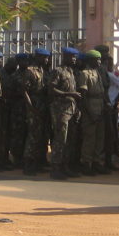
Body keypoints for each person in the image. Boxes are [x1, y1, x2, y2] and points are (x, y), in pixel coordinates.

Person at [47, 47, 82, 180]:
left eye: (75, 57)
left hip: (71, 109)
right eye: (72, 56)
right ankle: (55, 168)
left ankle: (65, 166)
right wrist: (69, 94)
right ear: (65, 57)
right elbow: (52, 90)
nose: (74, 59)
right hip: (60, 110)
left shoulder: (72, 72)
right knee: (60, 139)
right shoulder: (58, 71)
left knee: (69, 140)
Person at [77, 50, 108, 175]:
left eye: (100, 59)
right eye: (97, 59)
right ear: (90, 60)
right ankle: (86, 164)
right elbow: (83, 96)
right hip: (90, 108)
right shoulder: (85, 74)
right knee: (89, 138)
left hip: (99, 107)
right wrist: (89, 112)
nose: (99, 62)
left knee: (99, 138)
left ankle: (96, 162)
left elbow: (102, 92)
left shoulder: (97, 73)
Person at [22, 48, 51, 175]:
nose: (46, 60)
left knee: (40, 137)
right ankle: (28, 164)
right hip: (34, 106)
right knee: (33, 137)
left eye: (47, 58)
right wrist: (31, 108)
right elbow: (25, 91)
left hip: (42, 106)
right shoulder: (30, 71)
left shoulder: (43, 71)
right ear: (38, 57)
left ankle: (37, 163)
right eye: (44, 57)